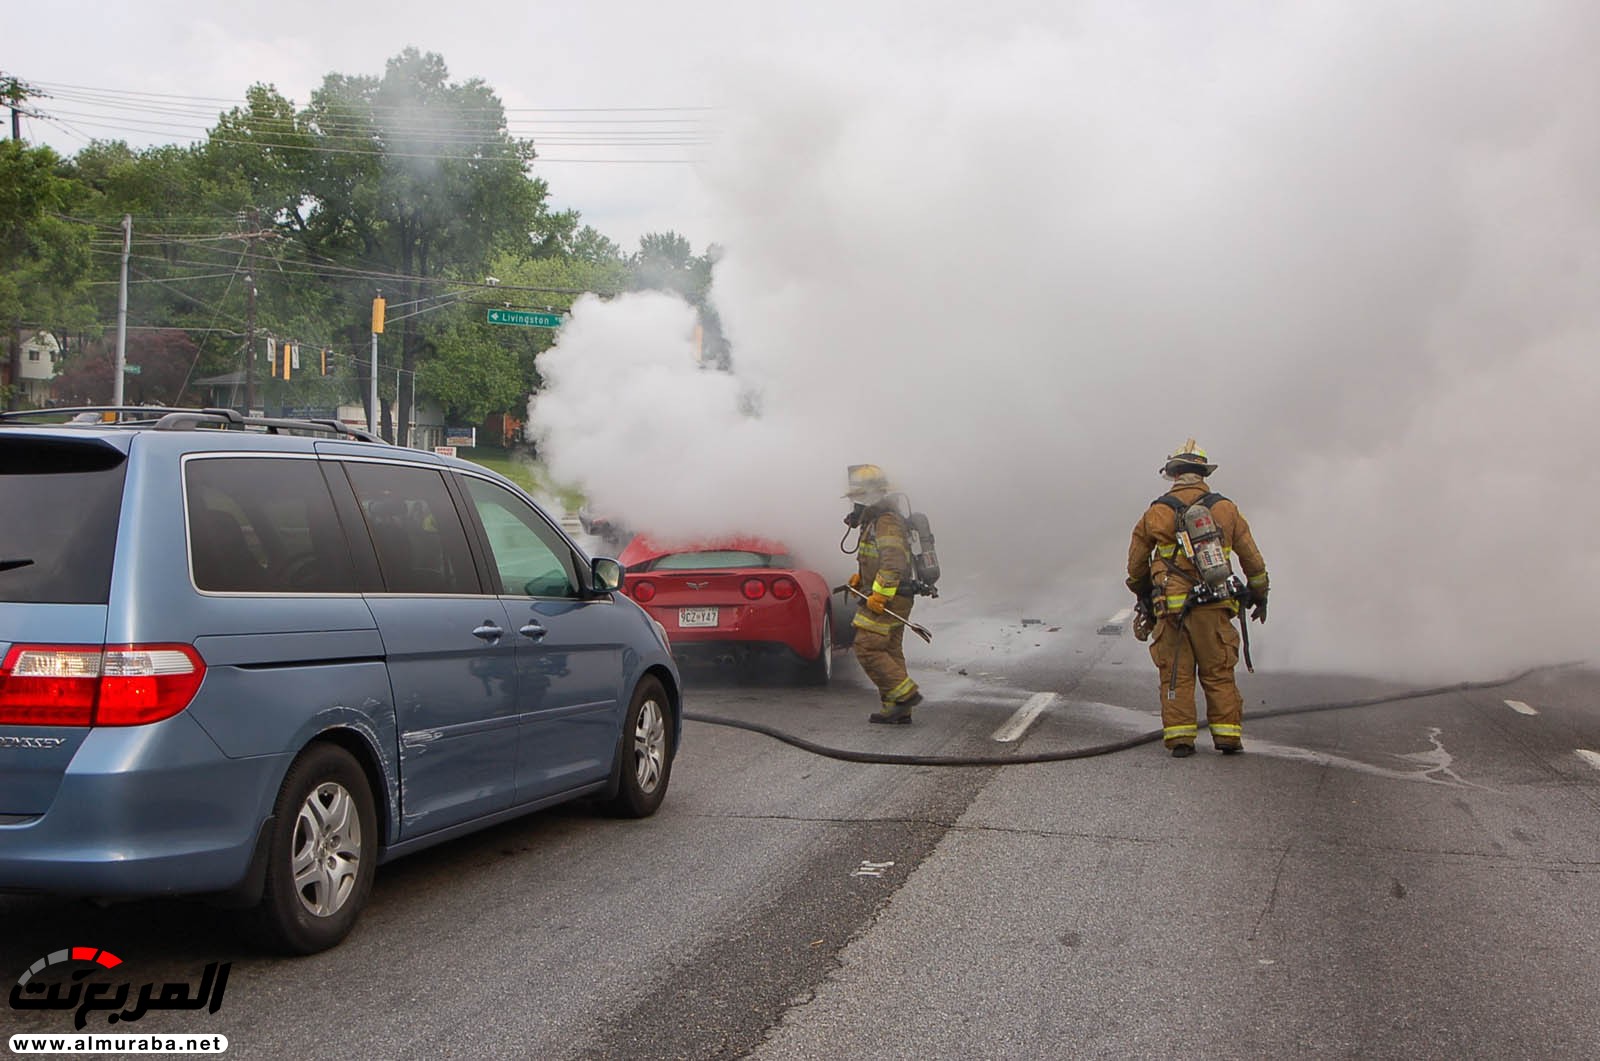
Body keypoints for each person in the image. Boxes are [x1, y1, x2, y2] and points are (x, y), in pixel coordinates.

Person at [1126, 440, 1269, 757]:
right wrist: (1260, 594)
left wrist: (1143, 596)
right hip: (1214, 607)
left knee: (1176, 673)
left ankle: (1180, 740)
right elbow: (1252, 561)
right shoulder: (1226, 509)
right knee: (1219, 673)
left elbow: (1136, 565)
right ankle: (1228, 737)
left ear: (1173, 474)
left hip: (1171, 611)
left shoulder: (1156, 512)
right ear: (1203, 473)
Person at [843, 464, 923, 724]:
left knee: (866, 648)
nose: (855, 504)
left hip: (890, 598)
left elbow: (893, 563)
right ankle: (896, 710)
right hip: (894, 595)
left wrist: (879, 595)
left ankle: (905, 694)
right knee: (889, 650)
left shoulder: (886, 522)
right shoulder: (876, 521)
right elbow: (875, 558)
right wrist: (862, 579)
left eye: (857, 497)